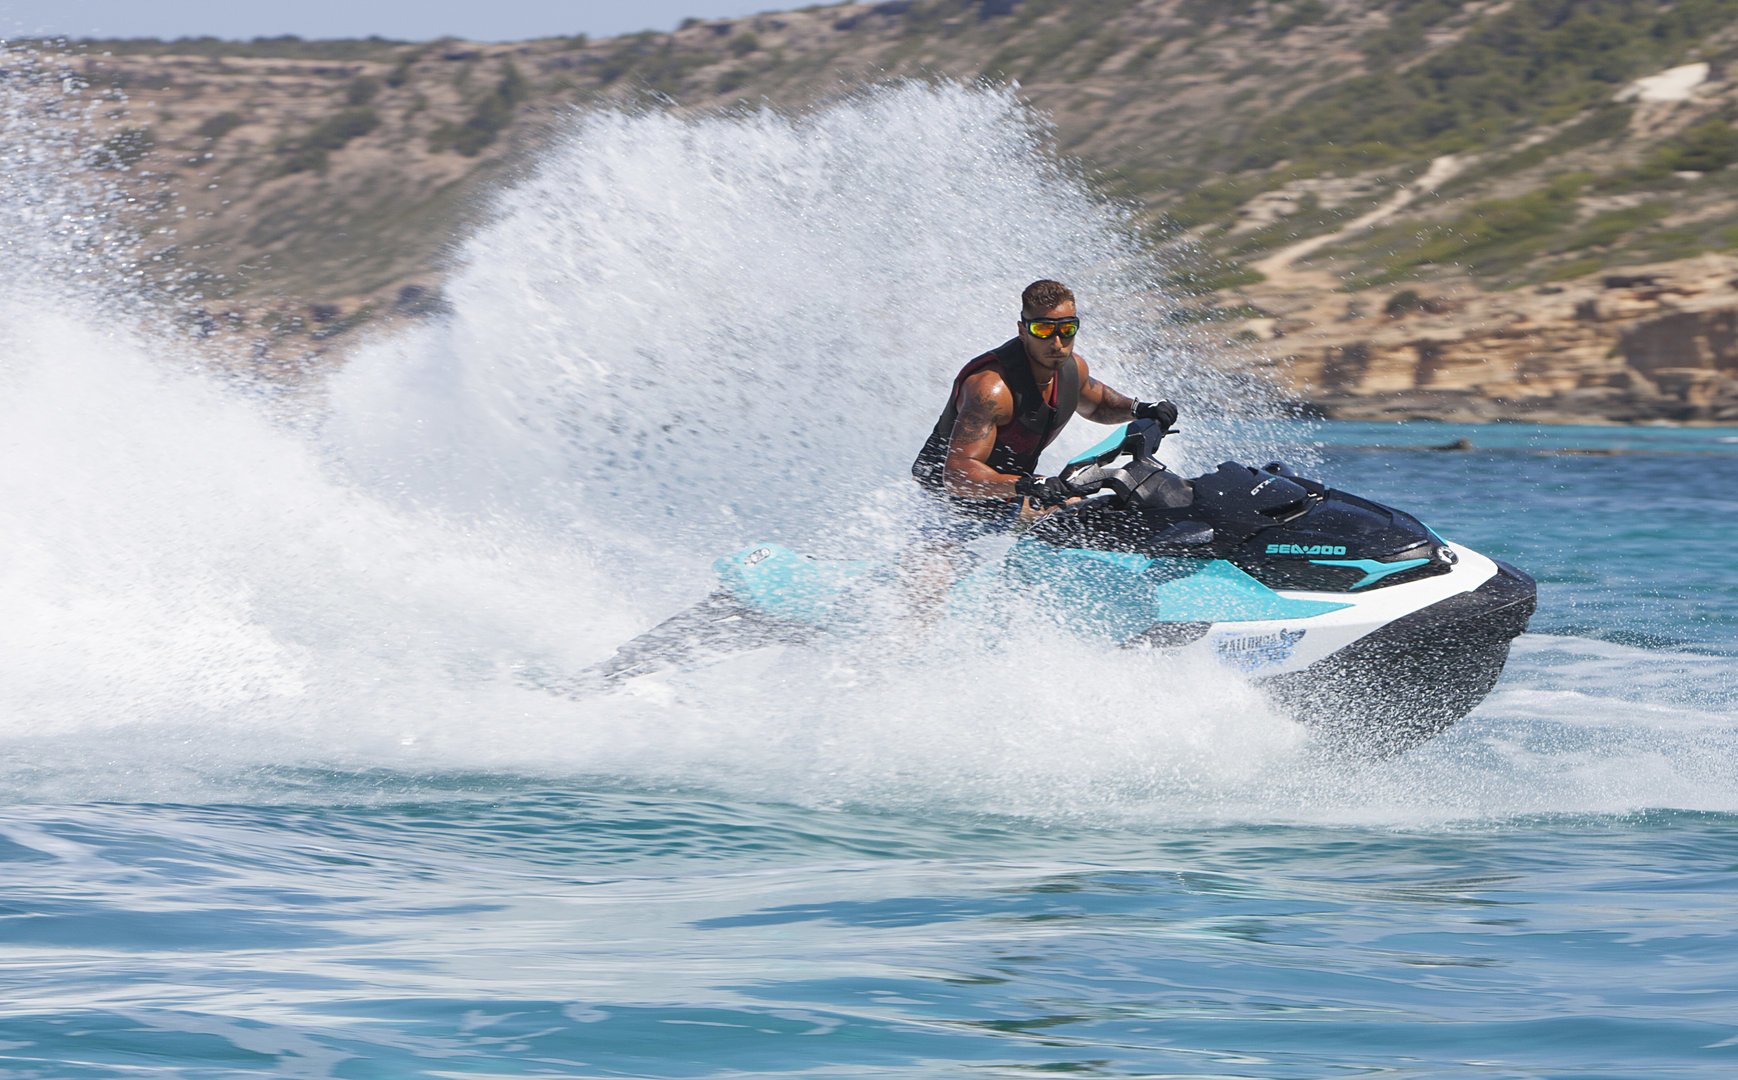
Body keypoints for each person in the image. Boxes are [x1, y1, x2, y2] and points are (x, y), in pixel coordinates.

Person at [904, 278, 1177, 600]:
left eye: (1067, 329)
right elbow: (958, 475)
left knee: (1096, 516)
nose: (1057, 342)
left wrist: (1140, 409)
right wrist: (1025, 485)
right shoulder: (991, 390)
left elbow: (1099, 403)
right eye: (1044, 330)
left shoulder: (1071, 369)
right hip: (946, 507)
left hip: (1007, 498)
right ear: (1023, 330)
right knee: (928, 591)